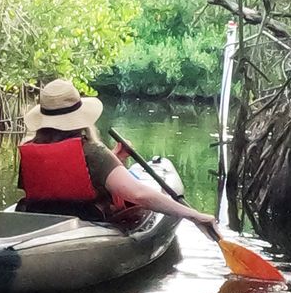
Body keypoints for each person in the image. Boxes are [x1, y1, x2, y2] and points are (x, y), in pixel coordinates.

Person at [18, 77, 219, 234]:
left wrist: (115, 159)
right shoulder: (93, 153)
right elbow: (139, 194)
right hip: (87, 227)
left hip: (39, 224)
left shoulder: (30, 149)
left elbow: (61, 182)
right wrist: (194, 215)